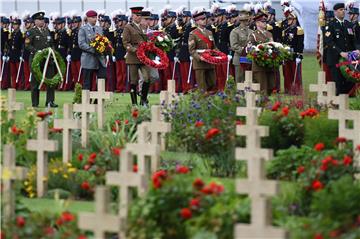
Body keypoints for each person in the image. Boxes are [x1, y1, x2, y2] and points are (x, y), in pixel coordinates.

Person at [324, 3, 358, 95]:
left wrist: (357, 49)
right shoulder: (330, 25)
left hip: (348, 59)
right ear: (335, 12)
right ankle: (338, 104)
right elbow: (330, 42)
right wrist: (340, 52)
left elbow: (354, 40)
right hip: (335, 59)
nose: (343, 11)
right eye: (340, 10)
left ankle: (346, 103)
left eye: (343, 9)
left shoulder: (348, 24)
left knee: (349, 81)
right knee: (339, 83)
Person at [25, 11, 57, 107]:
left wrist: (53, 53)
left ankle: (50, 102)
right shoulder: (31, 32)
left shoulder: (46, 31)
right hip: (36, 61)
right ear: (35, 21)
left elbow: (51, 44)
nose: (42, 21)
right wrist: (36, 51)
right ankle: (35, 103)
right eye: (39, 19)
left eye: (43, 19)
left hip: (48, 60)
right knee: (35, 83)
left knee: (50, 82)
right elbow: (27, 45)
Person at [122, 6, 151, 106]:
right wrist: (135, 50)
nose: (139, 17)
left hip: (143, 57)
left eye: (140, 15)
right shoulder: (128, 27)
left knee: (147, 78)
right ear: (132, 16)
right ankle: (134, 103)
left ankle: (143, 100)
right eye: (136, 15)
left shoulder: (144, 27)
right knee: (133, 81)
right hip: (133, 58)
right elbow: (126, 43)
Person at [188, 8, 217, 93]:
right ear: (197, 21)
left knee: (212, 82)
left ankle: (203, 94)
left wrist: (219, 54)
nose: (205, 21)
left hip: (210, 61)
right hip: (200, 62)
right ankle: (202, 100)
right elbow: (192, 50)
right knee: (202, 85)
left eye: (205, 19)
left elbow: (214, 47)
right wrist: (200, 58)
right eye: (202, 19)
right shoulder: (193, 34)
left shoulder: (209, 32)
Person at [247, 10, 275, 95]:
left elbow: (273, 46)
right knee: (261, 87)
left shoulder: (269, 34)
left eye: (265, 21)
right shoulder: (253, 35)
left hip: (269, 64)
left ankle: (267, 104)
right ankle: (260, 104)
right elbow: (249, 48)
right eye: (263, 22)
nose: (265, 23)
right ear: (257, 23)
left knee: (270, 85)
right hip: (259, 64)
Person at [78, 10, 106, 91]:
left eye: (96, 17)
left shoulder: (99, 29)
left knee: (102, 79)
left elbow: (103, 41)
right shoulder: (83, 29)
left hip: (99, 59)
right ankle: (86, 101)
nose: (95, 19)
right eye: (93, 17)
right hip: (88, 59)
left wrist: (104, 48)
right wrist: (94, 50)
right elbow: (81, 44)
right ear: (88, 18)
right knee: (87, 82)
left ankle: (98, 101)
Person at [281, 8, 304, 94]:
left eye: (290, 19)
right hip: (287, 54)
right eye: (288, 19)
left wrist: (299, 55)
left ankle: (297, 90)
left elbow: (300, 44)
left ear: (295, 20)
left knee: (296, 74)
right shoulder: (285, 30)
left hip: (295, 55)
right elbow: (284, 43)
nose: (288, 20)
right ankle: (288, 89)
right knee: (287, 73)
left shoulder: (299, 30)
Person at [230, 10, 252, 83]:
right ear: (242, 21)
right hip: (239, 58)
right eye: (246, 20)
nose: (248, 21)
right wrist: (244, 51)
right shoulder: (235, 31)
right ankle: (239, 93)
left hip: (249, 58)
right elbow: (234, 45)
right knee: (240, 79)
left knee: (249, 78)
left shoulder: (251, 31)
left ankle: (248, 92)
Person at [113, 12, 128, 93]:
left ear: (124, 21)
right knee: (118, 72)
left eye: (120, 21)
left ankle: (125, 88)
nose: (118, 23)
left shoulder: (127, 30)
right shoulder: (117, 31)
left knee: (124, 72)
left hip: (124, 53)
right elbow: (115, 43)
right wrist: (114, 54)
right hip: (118, 53)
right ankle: (119, 87)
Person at [8, 16, 23, 89]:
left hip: (18, 54)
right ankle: (14, 85)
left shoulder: (21, 34)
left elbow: (22, 45)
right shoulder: (12, 34)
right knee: (13, 72)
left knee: (19, 72)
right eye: (13, 25)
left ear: (19, 25)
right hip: (12, 54)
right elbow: (9, 44)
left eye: (16, 24)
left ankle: (20, 85)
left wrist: (21, 55)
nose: (14, 26)